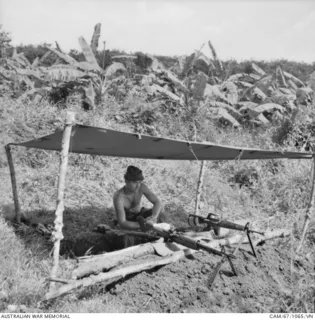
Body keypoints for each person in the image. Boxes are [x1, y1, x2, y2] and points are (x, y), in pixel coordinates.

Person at [113, 165, 163, 230]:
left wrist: (153, 217)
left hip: (140, 216)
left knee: (161, 212)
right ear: (126, 181)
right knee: (127, 237)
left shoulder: (142, 187)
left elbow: (157, 202)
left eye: (139, 182)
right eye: (134, 182)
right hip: (129, 221)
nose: (138, 186)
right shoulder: (119, 197)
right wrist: (143, 225)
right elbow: (123, 223)